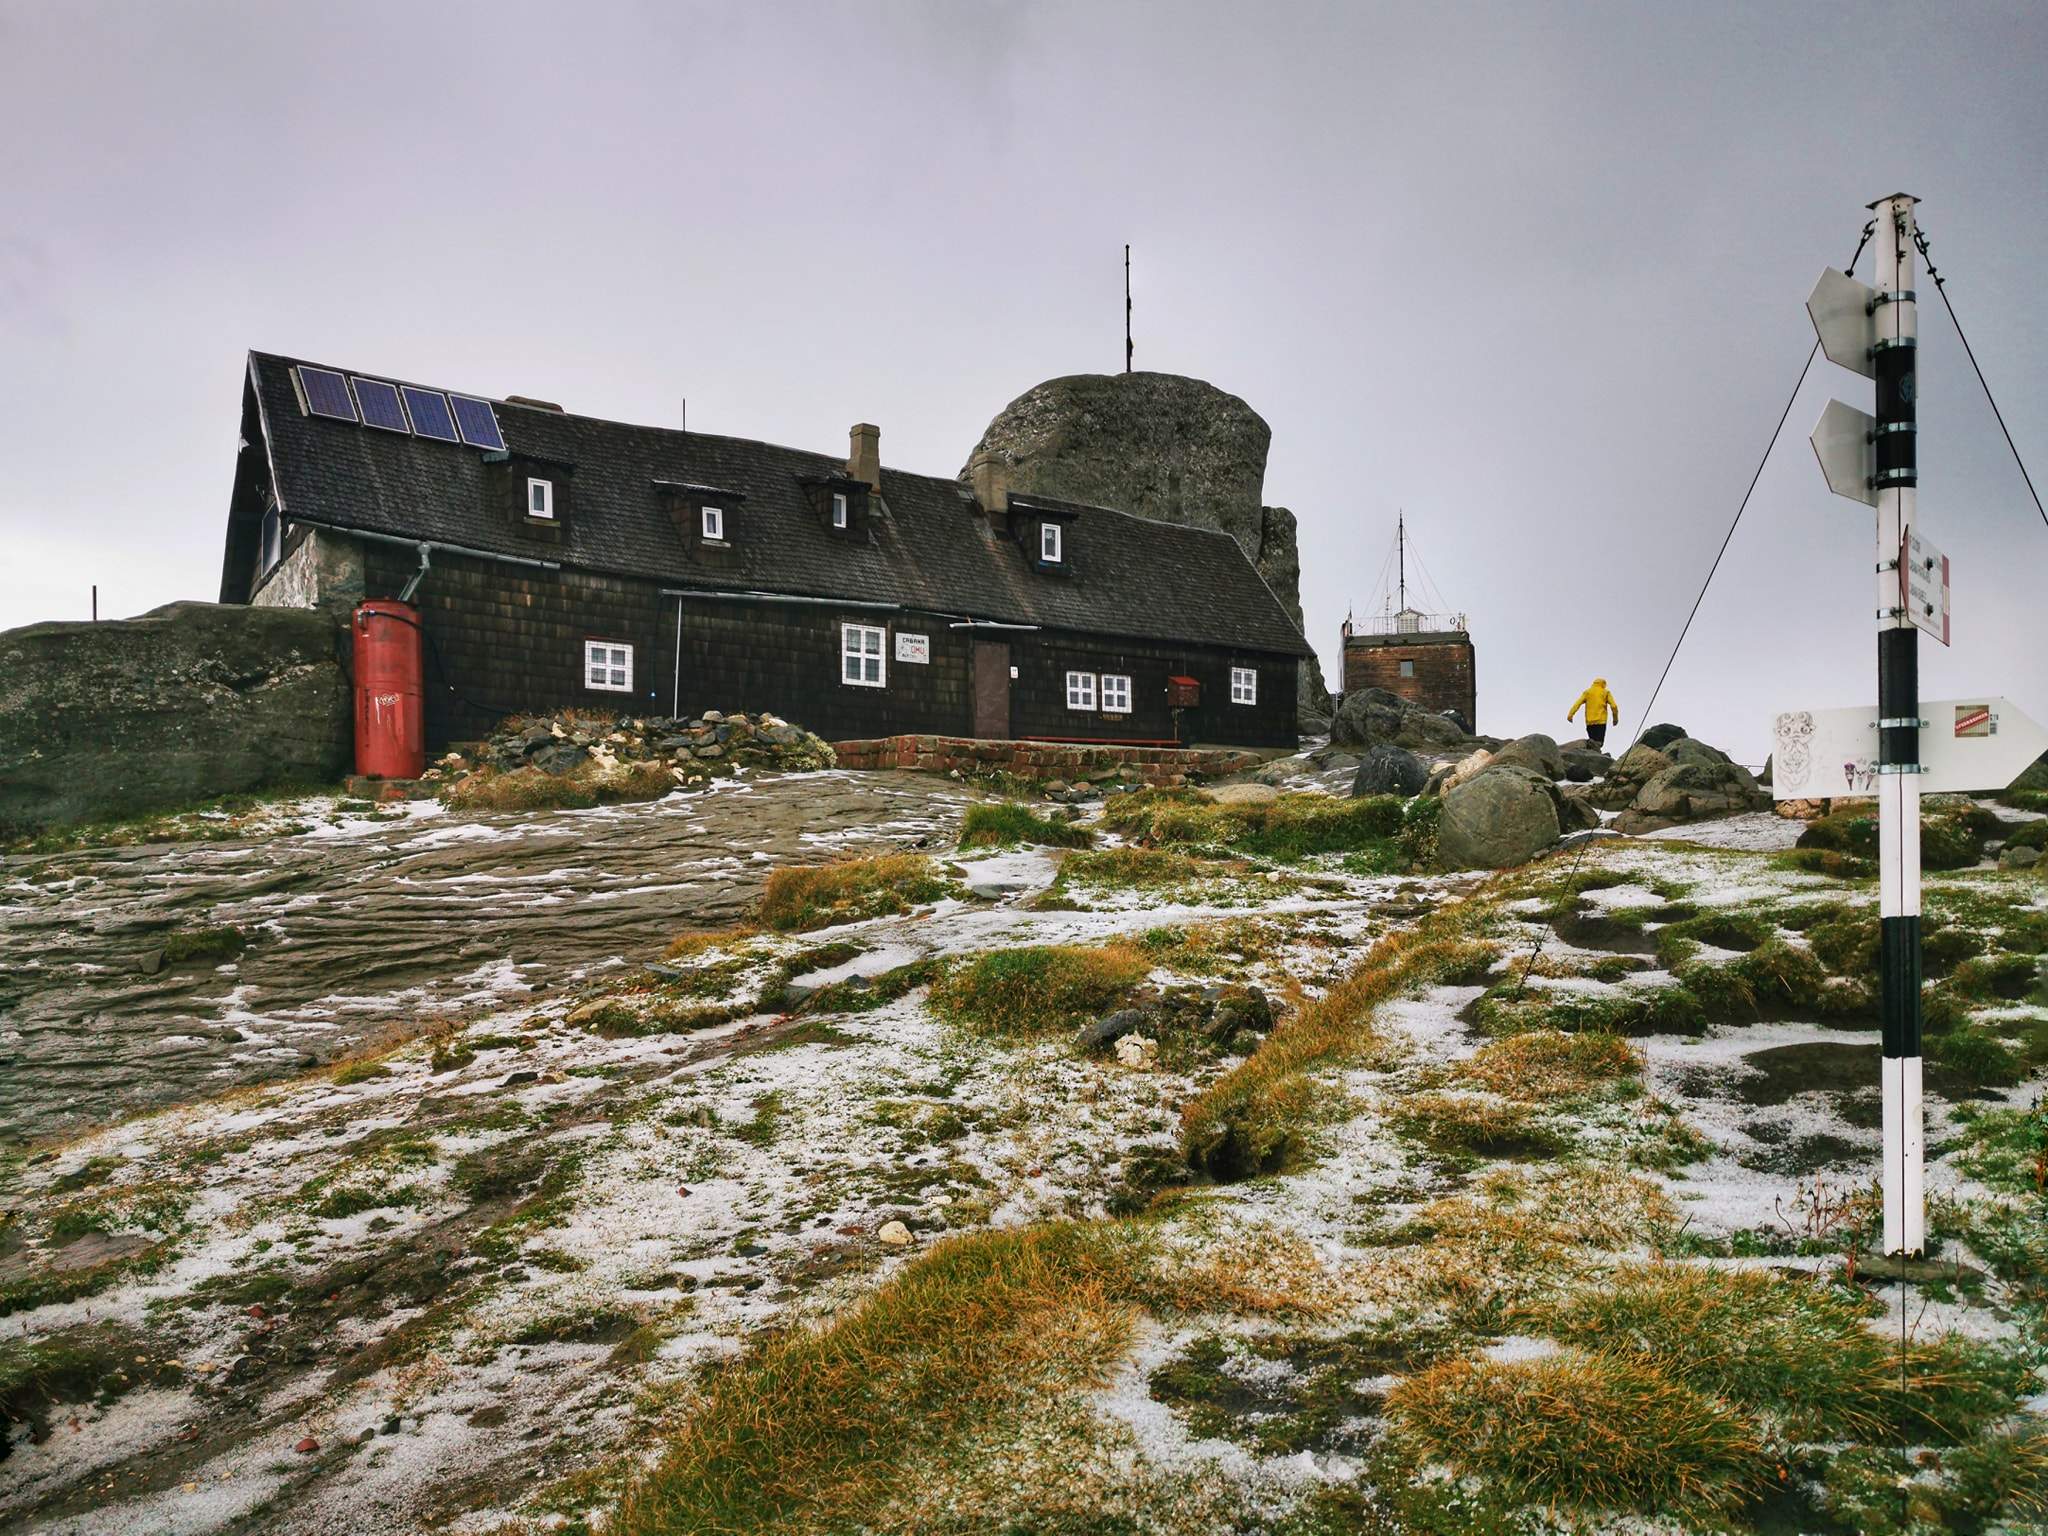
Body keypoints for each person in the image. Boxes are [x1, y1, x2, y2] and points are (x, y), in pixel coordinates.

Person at [1567, 677, 1619, 750]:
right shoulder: (1605, 692)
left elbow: (1577, 704)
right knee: (1599, 743)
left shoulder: (1587, 692)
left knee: (1592, 743)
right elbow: (1614, 706)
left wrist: (1570, 715)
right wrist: (1615, 718)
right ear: (1603, 684)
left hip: (1589, 722)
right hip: (1601, 722)